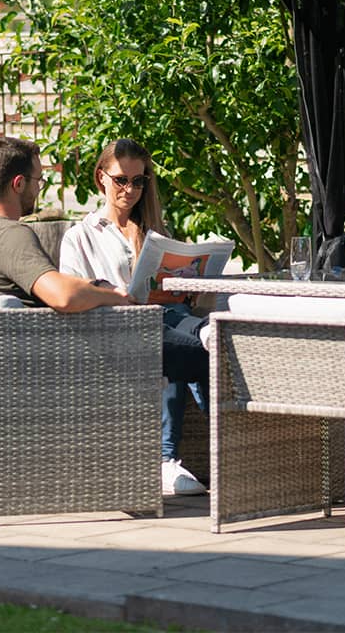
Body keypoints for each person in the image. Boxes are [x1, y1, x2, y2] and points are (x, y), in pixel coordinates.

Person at [59, 139, 210, 496]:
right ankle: (169, 460)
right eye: (121, 180)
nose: (130, 189)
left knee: (184, 328)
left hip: (166, 319)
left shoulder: (157, 234)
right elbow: (74, 289)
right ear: (101, 178)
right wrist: (115, 293)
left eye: (139, 182)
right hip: (117, 330)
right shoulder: (80, 237)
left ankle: (214, 448)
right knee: (179, 343)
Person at [0, 136, 133, 312]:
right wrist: (114, 296)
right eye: (38, 181)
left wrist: (96, 284)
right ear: (19, 184)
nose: (38, 189)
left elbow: (53, 280)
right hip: (47, 338)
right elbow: (64, 298)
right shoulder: (11, 235)